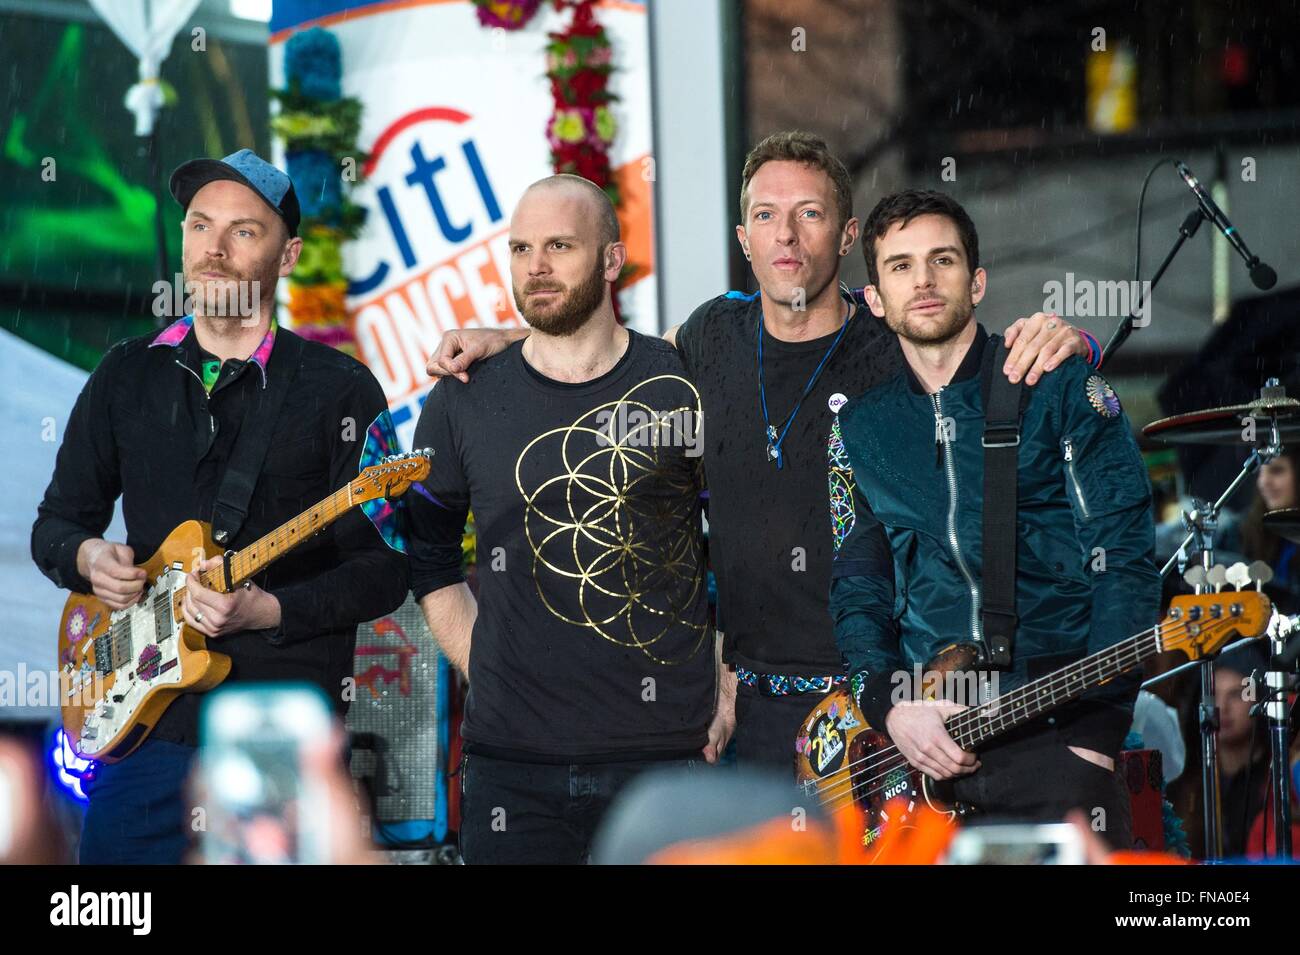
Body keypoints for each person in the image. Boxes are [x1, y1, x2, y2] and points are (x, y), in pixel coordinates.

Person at [422, 131, 1099, 772]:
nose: (788, 233)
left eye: (810, 212)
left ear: (848, 234)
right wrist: (506, 339)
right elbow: (604, 351)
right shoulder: (712, 334)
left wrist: (1068, 342)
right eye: (767, 215)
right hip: (747, 708)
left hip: (887, 696)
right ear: (744, 239)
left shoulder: (895, 340)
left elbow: (984, 356)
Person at [31, 149, 410, 864]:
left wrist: (272, 611)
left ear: (288, 253)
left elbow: (386, 567)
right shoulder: (124, 374)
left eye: (242, 231)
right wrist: (88, 557)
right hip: (142, 732)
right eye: (199, 225)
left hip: (276, 736)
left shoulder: (341, 390)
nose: (213, 247)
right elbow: (55, 524)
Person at [407, 175, 728, 864]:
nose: (536, 266)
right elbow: (427, 555)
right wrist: (485, 665)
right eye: (521, 248)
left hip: (666, 758)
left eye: (559, 245)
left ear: (612, 260)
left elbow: (735, 548)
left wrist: (726, 685)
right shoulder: (461, 399)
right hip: (510, 770)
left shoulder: (678, 384)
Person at [831, 189, 1160, 849]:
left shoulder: (1056, 387)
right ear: (874, 298)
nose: (922, 280)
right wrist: (891, 708)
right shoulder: (858, 427)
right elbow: (858, 585)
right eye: (899, 266)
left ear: (976, 281)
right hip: (924, 755)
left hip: (1057, 740)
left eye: (941, 260)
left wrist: (1095, 740)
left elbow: (1124, 559)